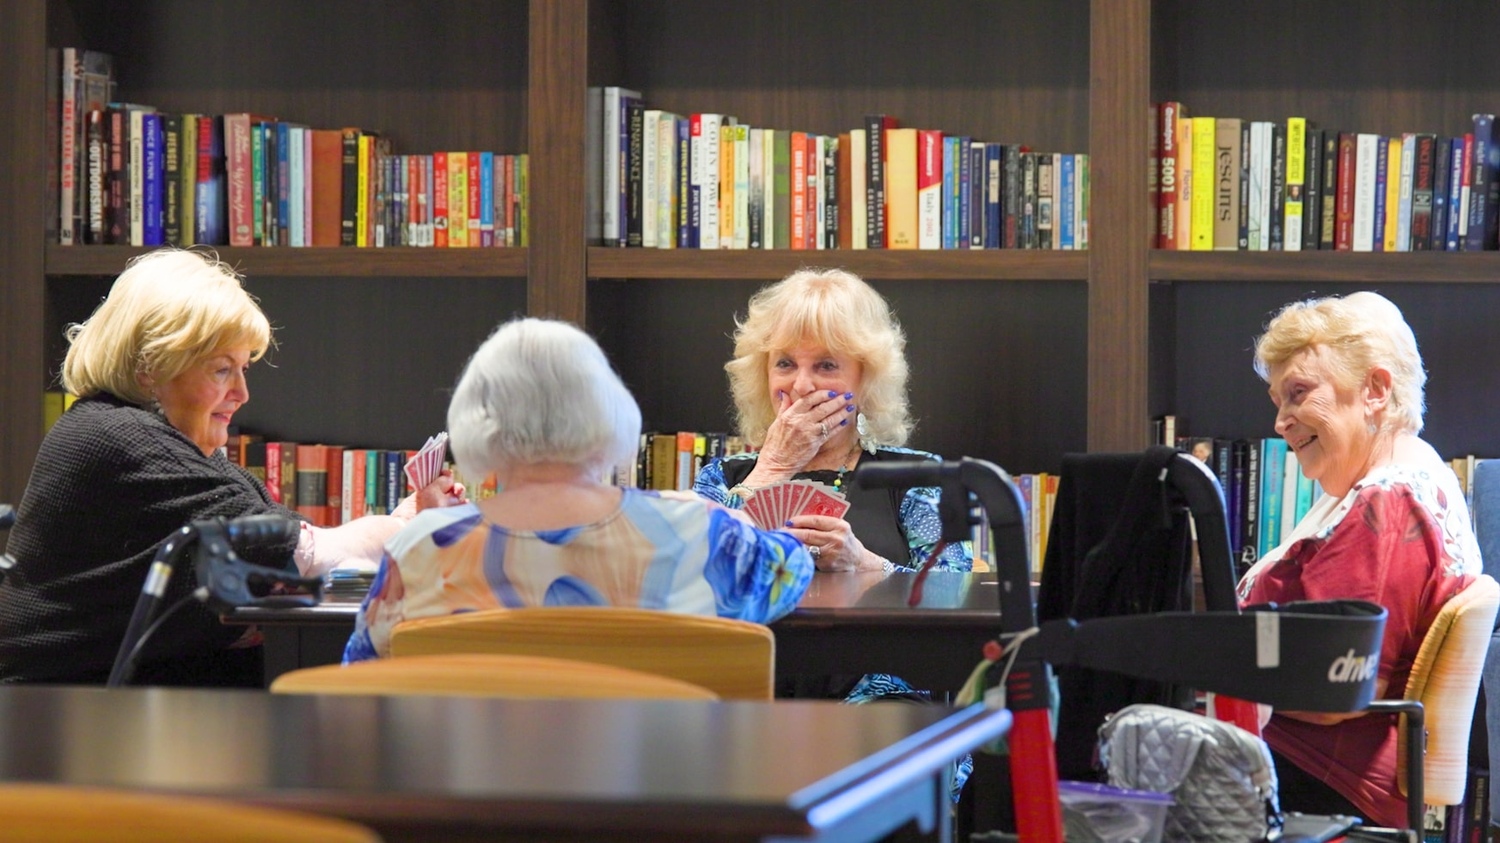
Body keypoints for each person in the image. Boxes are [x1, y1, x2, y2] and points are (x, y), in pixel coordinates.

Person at [0, 249, 462, 687]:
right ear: (149, 368)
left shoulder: (157, 441)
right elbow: (306, 558)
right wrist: (406, 526)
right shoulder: (121, 439)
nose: (242, 393)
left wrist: (405, 523)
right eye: (222, 369)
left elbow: (285, 558)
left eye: (244, 369)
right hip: (65, 720)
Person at [343, 317, 814, 662]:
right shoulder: (700, 529)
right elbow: (793, 568)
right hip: (656, 772)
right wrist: (745, 515)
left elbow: (363, 683)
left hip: (476, 773)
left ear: (476, 421)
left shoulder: (420, 548)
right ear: (610, 410)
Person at [1237, 291, 1480, 828]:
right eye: (1278, 400)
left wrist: (1208, 673)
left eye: (1298, 393)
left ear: (1374, 390)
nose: (1280, 421)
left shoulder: (1383, 509)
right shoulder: (1418, 476)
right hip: (1322, 774)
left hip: (1321, 784)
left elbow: (1336, 689)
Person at [694, 267, 973, 576]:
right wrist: (772, 467)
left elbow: (954, 591)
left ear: (866, 382)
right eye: (785, 363)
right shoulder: (721, 477)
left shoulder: (921, 476)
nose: (802, 385)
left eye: (826, 365)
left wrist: (865, 565)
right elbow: (688, 576)